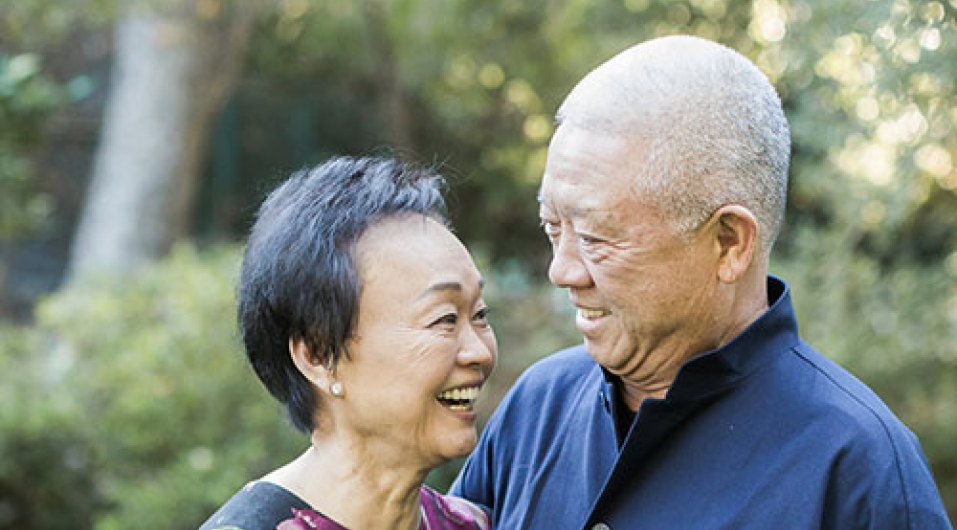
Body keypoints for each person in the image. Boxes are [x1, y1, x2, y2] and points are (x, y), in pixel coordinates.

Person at [450, 35, 953, 530]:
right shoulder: (539, 405)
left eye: (596, 237)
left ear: (730, 243)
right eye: (552, 227)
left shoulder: (857, 468)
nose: (561, 270)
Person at [199, 156, 495, 530]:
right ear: (319, 355)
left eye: (480, 315)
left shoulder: (472, 524)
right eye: (445, 320)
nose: (480, 352)